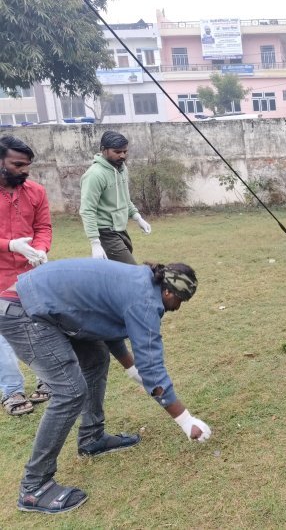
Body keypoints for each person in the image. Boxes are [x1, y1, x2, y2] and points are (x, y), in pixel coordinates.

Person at [0, 258, 211, 514]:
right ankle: (34, 487)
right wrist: (186, 421)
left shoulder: (141, 281)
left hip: (44, 304)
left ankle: (91, 438)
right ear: (168, 291)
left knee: (96, 358)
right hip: (25, 312)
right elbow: (153, 368)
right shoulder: (145, 300)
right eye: (179, 301)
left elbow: (104, 323)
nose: (177, 308)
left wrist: (130, 367)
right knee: (70, 391)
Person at [80, 131, 151, 381]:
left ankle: (114, 320)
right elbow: (86, 210)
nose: (122, 156)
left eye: (125, 151)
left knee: (117, 280)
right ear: (103, 150)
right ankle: (133, 324)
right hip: (105, 233)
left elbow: (125, 199)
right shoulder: (95, 174)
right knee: (134, 275)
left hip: (121, 231)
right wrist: (94, 242)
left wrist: (137, 217)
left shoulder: (122, 169)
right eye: (117, 152)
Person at [0, 135, 52, 416]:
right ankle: (12, 391)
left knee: (39, 328)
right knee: (2, 336)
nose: (23, 170)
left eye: (27, 165)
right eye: (16, 164)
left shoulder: (35, 191)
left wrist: (40, 249)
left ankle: (48, 377)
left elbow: (43, 226)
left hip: (30, 274)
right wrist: (8, 245)